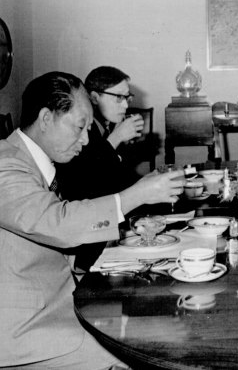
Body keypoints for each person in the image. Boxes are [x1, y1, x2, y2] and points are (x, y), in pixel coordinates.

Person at [0, 71, 185, 369]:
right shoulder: (4, 164)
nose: (86, 140)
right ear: (46, 118)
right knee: (157, 347)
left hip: (63, 301)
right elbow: (54, 222)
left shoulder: (35, 161)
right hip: (27, 328)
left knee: (160, 314)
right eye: (80, 127)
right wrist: (136, 195)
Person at [56, 66, 144, 272]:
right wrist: (116, 138)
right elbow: (87, 182)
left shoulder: (103, 127)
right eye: (118, 98)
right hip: (86, 239)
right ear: (94, 97)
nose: (125, 105)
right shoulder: (85, 130)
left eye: (127, 98)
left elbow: (115, 178)